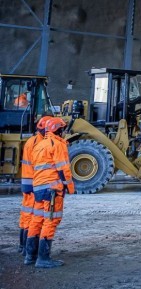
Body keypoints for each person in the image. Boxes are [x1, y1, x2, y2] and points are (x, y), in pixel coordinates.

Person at [24, 117, 75, 268]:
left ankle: (30, 256)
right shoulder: (58, 144)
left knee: (37, 220)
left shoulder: (40, 145)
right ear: (58, 130)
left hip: (38, 188)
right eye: (63, 129)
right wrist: (70, 188)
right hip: (52, 189)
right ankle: (43, 259)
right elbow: (63, 169)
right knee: (50, 221)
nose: (64, 132)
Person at [18, 115, 52, 255]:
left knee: (27, 214)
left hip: (28, 182)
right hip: (33, 182)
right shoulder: (38, 143)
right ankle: (27, 248)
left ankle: (23, 247)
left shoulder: (32, 141)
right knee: (32, 216)